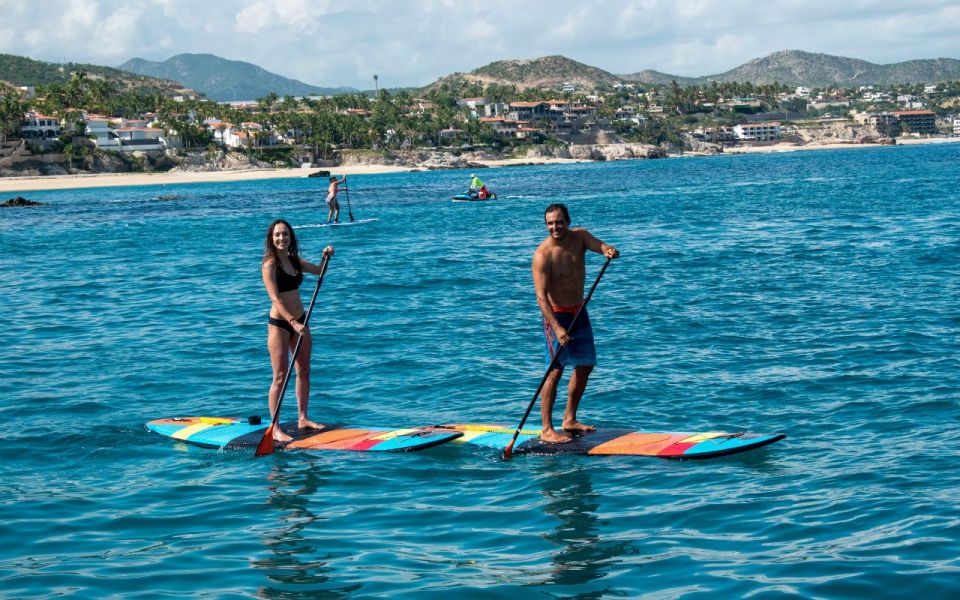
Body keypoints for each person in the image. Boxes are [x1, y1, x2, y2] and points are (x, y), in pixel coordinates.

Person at [532, 203, 619, 443]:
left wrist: (607, 250)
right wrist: (557, 328)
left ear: (567, 221)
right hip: (556, 316)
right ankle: (547, 429)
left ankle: (569, 419)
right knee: (555, 371)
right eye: (550, 223)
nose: (555, 227)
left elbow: (598, 246)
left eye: (559, 222)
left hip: (579, 312)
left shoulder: (580, 237)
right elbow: (541, 297)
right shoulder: (543, 255)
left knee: (585, 366)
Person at [261, 219, 335, 442]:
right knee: (280, 376)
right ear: (271, 239)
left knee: (304, 371)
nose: (281, 238)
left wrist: (326, 255)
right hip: (281, 324)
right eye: (277, 235)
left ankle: (303, 418)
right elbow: (274, 297)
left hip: (301, 321)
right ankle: (275, 427)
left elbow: (320, 270)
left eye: (285, 234)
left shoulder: (294, 261)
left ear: (291, 237)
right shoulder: (269, 265)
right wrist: (292, 322)